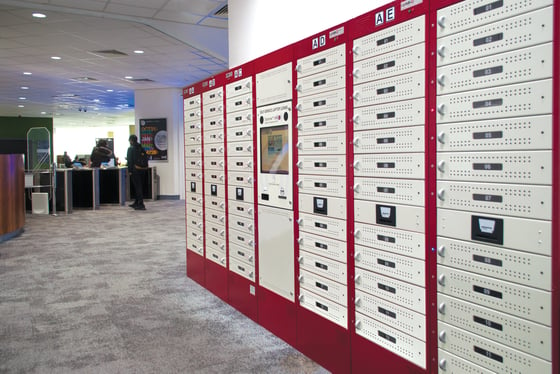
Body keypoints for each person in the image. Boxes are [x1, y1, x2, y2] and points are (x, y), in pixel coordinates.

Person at [127, 134, 146, 210]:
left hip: (135, 170)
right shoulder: (141, 147)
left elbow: (130, 161)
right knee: (139, 186)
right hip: (142, 169)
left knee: (137, 187)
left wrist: (130, 171)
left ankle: (141, 204)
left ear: (131, 141)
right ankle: (137, 202)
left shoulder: (130, 149)